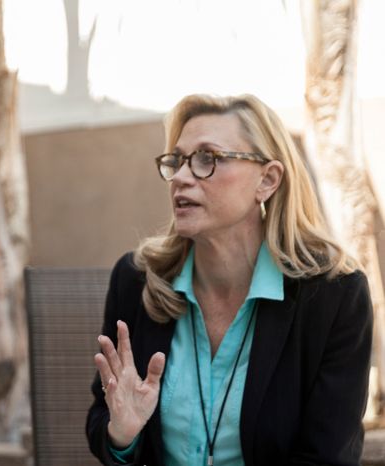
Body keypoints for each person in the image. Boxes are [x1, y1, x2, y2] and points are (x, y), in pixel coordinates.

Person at [86, 93, 373, 465]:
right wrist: (122, 435)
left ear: (267, 180)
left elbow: (327, 456)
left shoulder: (334, 296)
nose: (181, 178)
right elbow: (103, 419)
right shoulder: (137, 281)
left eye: (208, 158)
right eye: (177, 161)